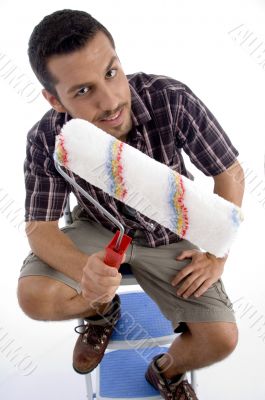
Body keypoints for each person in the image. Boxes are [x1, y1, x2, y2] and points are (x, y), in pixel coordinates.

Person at [17, 9, 244, 400]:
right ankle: (100, 311)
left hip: (168, 233)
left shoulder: (170, 99)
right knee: (33, 298)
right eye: (83, 91)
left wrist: (215, 253)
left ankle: (166, 373)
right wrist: (84, 271)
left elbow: (229, 174)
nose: (112, 102)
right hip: (99, 228)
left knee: (222, 340)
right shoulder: (46, 139)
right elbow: (41, 228)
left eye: (110, 73)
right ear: (54, 99)